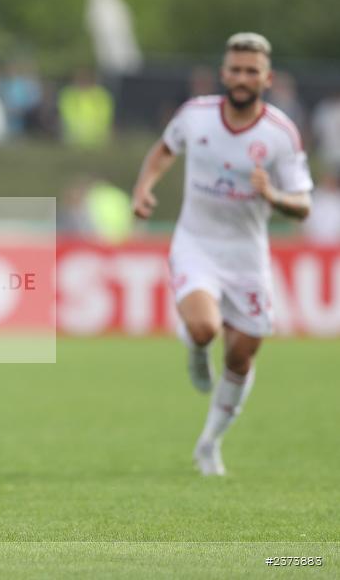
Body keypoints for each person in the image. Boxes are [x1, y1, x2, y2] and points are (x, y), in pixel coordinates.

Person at [131, 33, 312, 476]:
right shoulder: (195, 116)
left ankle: (209, 443)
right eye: (235, 69)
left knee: (241, 356)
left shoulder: (281, 134)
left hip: (247, 255)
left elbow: (303, 205)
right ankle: (196, 344)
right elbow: (163, 151)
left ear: (266, 78)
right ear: (223, 72)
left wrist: (272, 194)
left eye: (252, 71)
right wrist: (144, 187)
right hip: (196, 242)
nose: (242, 77)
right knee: (203, 325)